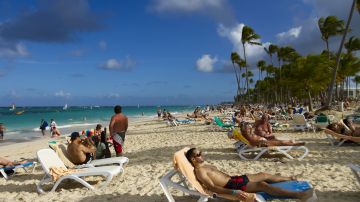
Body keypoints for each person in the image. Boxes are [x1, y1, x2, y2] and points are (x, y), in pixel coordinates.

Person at [185, 148, 313, 201]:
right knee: (263, 185)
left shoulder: (205, 165)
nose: (201, 155)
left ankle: (289, 178)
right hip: (232, 186)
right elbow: (212, 187)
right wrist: (234, 193)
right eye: (198, 155)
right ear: (193, 159)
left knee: (262, 174)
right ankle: (298, 195)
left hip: (234, 179)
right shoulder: (200, 171)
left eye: (200, 152)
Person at [241, 122, 305, 147]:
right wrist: (261, 141)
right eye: (248, 127)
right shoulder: (246, 133)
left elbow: (252, 134)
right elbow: (252, 142)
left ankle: (290, 142)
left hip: (262, 142)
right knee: (279, 143)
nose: (250, 128)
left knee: (277, 141)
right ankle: (293, 144)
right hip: (261, 143)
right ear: (244, 129)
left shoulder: (248, 133)